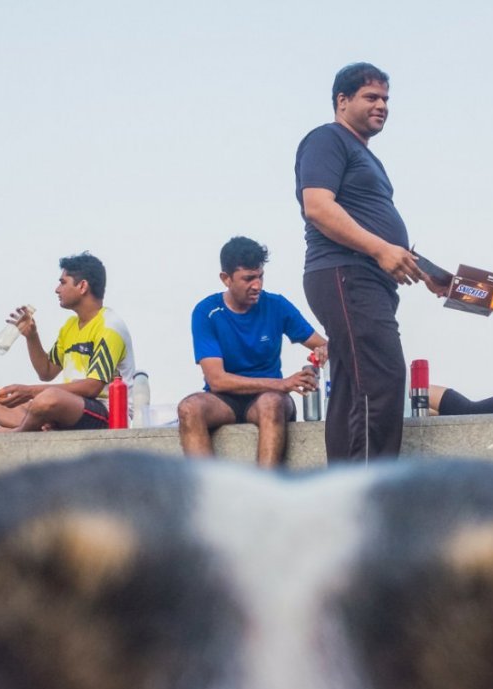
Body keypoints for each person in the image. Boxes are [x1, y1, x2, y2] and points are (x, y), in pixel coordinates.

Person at [295, 62, 446, 463]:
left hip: (366, 279)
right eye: (371, 97)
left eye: (385, 99)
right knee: (380, 379)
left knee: (354, 385)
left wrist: (426, 270)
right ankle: (369, 492)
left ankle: (345, 491)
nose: (382, 105)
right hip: (346, 273)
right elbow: (318, 207)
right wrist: (380, 250)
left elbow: (376, 224)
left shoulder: (367, 157)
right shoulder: (327, 140)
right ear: (342, 101)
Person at [178, 237, 328, 467]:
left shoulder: (276, 305)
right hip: (224, 401)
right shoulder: (207, 311)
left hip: (268, 401)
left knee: (271, 403)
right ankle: (209, 493)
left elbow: (322, 344)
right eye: (248, 278)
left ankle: (263, 495)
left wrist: (324, 352)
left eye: (260, 276)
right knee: (189, 408)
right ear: (225, 279)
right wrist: (283, 383)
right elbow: (217, 380)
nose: (257, 285)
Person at [0, 252, 135, 433]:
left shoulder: (110, 326)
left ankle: (18, 433)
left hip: (106, 413)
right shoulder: (70, 326)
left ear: (83, 286)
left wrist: (31, 392)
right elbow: (46, 372)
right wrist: (32, 336)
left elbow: (92, 387)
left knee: (48, 398)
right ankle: (41, 427)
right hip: (68, 408)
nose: (57, 289)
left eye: (63, 282)